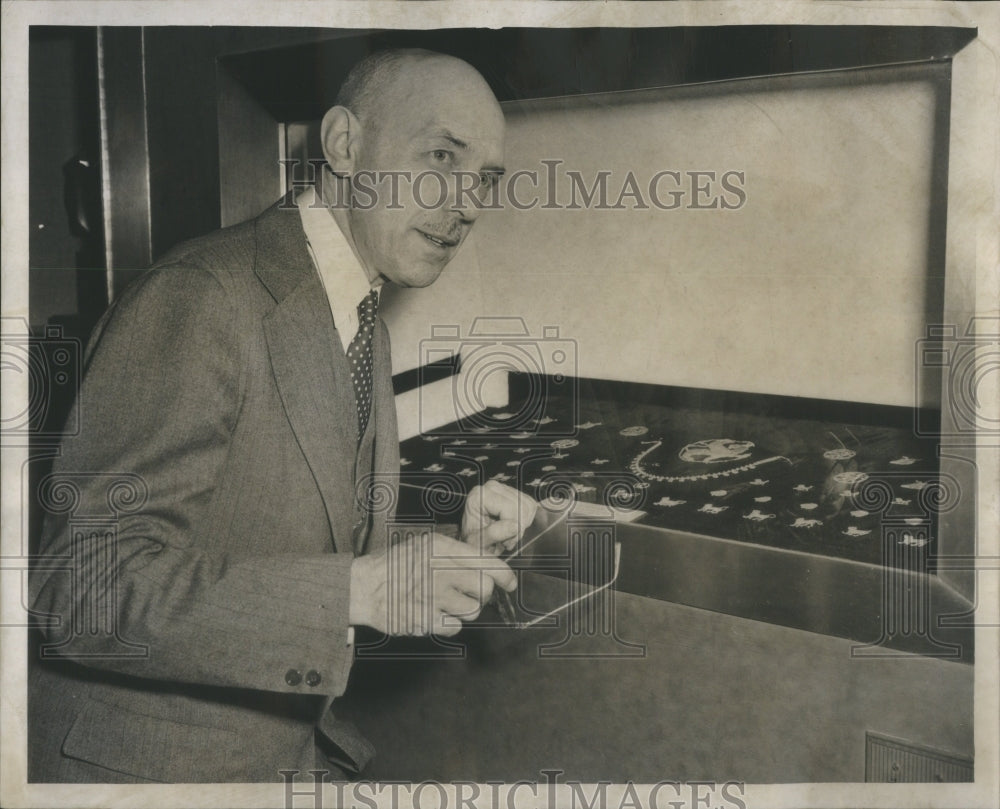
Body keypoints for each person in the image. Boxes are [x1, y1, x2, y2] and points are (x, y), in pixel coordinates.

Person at [28, 48, 535, 784]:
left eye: (485, 178)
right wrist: (360, 591)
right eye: (440, 156)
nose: (468, 204)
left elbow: (284, 529)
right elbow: (79, 587)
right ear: (342, 144)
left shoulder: (360, 317)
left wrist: (447, 544)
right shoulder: (204, 296)